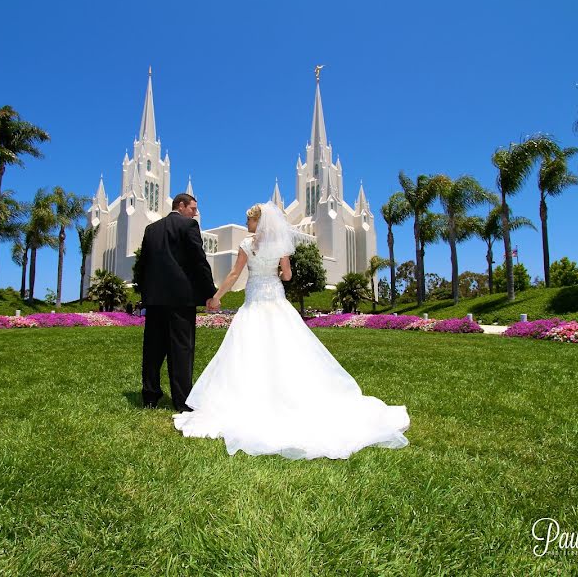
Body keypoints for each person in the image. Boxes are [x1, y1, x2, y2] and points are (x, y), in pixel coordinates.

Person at [173, 201, 410, 460]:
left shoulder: (246, 245)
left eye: (249, 220)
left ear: (258, 222)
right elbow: (287, 276)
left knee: (249, 350)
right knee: (285, 347)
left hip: (254, 301)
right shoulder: (280, 246)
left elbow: (233, 274)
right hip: (275, 299)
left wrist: (217, 297)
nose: (246, 224)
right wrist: (276, 268)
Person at [139, 193, 219, 412]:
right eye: (193, 207)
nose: (195, 212)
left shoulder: (151, 229)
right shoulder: (189, 226)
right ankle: (181, 400)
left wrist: (144, 293)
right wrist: (210, 293)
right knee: (181, 349)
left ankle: (150, 396)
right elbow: (199, 261)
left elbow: (142, 265)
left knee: (153, 349)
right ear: (181, 206)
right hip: (181, 300)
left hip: (155, 300)